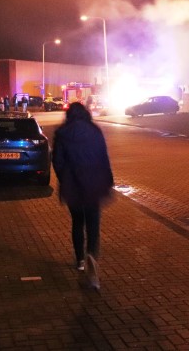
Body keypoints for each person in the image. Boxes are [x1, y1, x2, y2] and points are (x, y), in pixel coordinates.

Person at [52, 102, 114, 290]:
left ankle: (79, 259)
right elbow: (103, 156)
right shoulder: (95, 131)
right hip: (93, 185)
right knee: (93, 223)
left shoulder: (62, 133)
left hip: (73, 186)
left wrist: (65, 179)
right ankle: (92, 257)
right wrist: (108, 180)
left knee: (77, 222)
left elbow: (57, 161)